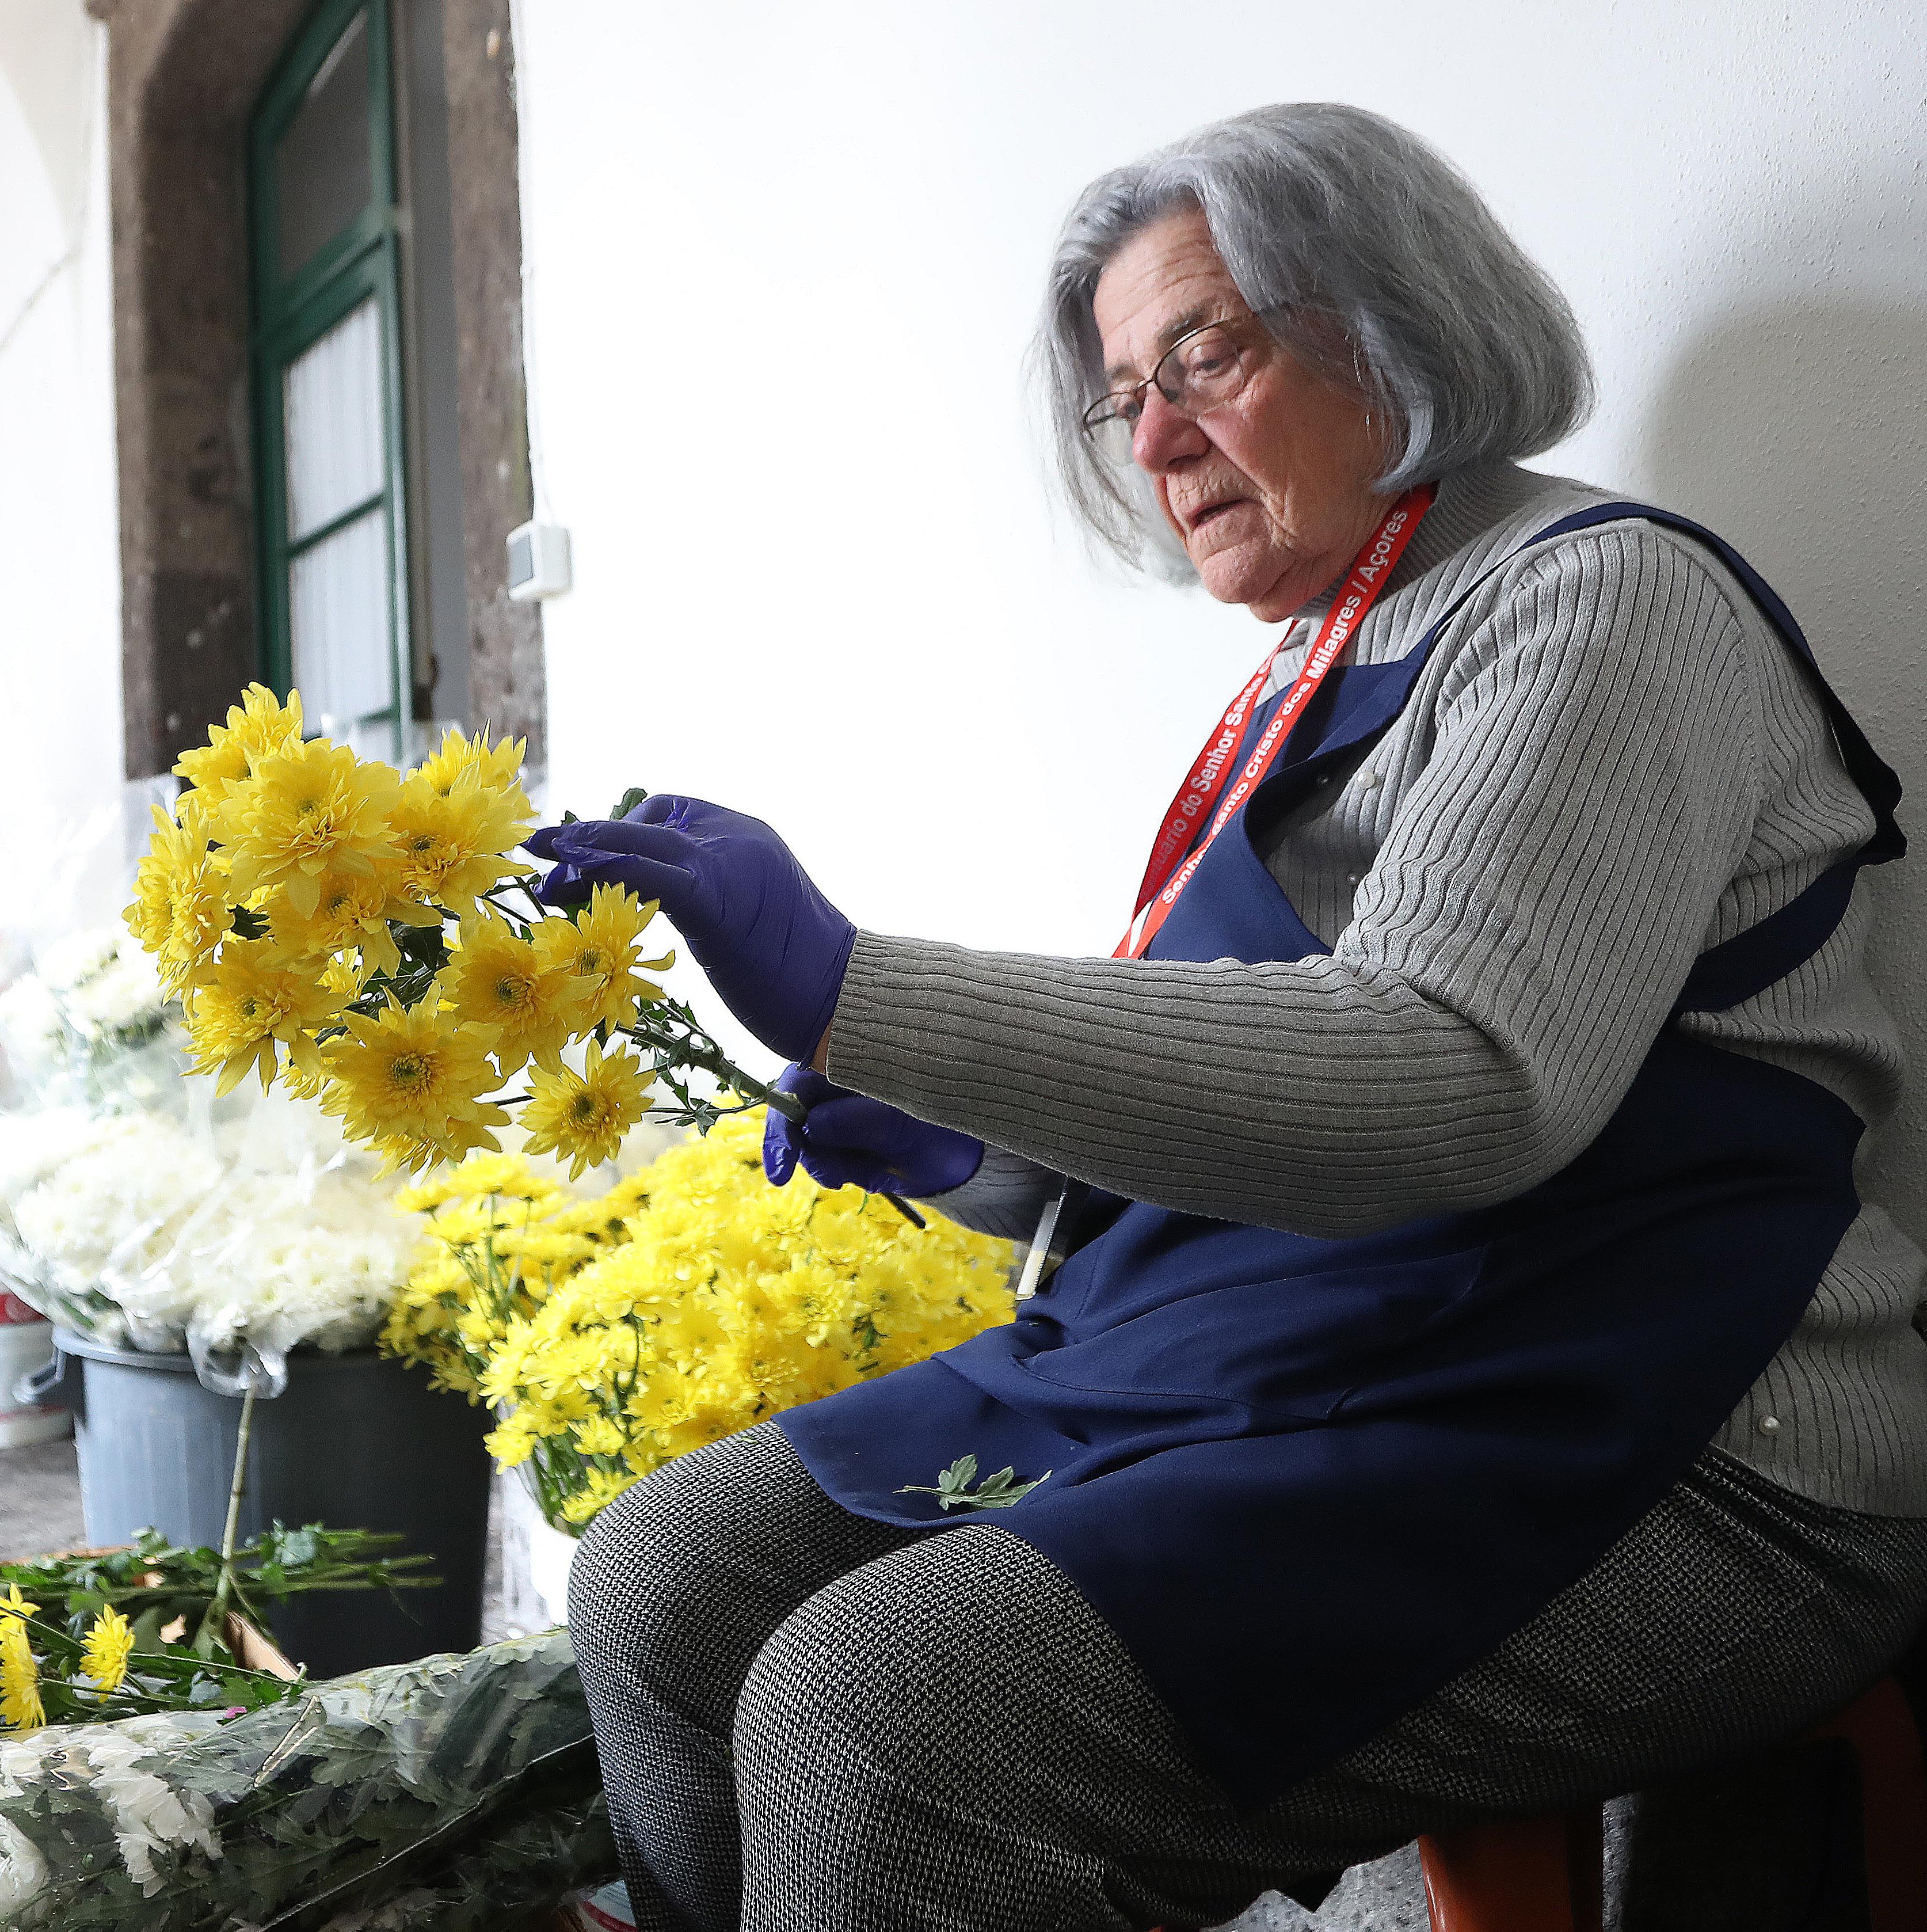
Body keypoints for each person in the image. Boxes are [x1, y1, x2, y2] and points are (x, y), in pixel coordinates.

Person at [538, 104, 1927, 1931]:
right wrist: (981, 1154)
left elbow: (1453, 1081)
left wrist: (860, 982)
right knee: (661, 1573)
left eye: (1206, 351)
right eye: (1126, 396)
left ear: (1396, 319)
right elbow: (1260, 1094)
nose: (1159, 435)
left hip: (1675, 1429)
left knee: (889, 1707)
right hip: (1350, 1353)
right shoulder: (1306, 667)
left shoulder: (1595, 603)